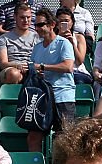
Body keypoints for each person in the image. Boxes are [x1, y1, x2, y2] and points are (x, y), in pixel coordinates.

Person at [26, 8, 75, 154]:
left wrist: (42, 67)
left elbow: (68, 66)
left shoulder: (63, 43)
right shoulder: (37, 48)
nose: (38, 28)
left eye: (41, 25)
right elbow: (34, 68)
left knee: (64, 140)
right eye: (36, 25)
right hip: (42, 97)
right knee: (33, 137)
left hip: (62, 96)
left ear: (52, 24)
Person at [0, 3, 40, 85]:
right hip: (10, 69)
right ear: (15, 17)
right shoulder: (3, 38)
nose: (26, 21)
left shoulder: (37, 37)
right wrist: (18, 66)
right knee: (14, 74)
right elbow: (3, 63)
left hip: (31, 68)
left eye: (28, 17)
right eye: (22, 17)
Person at [55, 6, 91, 85]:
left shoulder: (79, 38)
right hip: (59, 71)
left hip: (77, 72)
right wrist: (58, 40)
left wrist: (72, 44)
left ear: (72, 23)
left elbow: (79, 61)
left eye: (67, 21)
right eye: (61, 21)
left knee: (78, 80)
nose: (64, 24)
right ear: (57, 24)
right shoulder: (53, 39)